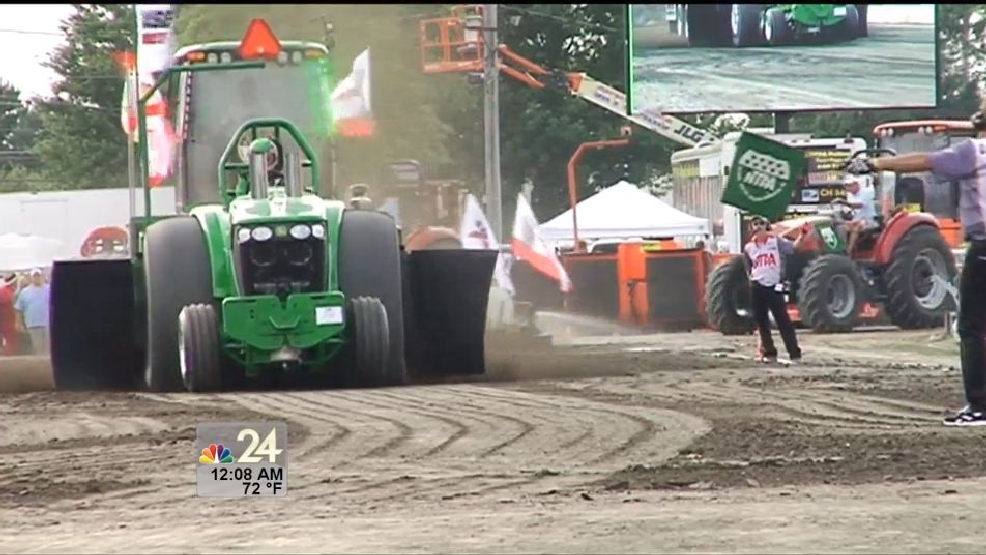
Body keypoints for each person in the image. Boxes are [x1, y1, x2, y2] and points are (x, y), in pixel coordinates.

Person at [846, 104, 986, 426]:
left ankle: (979, 406)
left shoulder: (974, 151)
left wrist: (875, 162)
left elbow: (924, 161)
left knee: (971, 327)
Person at [743, 215, 805, 363]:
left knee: (783, 320)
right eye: (755, 224)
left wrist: (802, 235)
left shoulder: (776, 242)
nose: (758, 227)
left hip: (774, 284)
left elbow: (794, 248)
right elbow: (748, 266)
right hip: (758, 285)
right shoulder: (749, 247)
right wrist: (751, 280)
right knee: (762, 322)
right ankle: (769, 353)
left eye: (761, 224)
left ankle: (794, 353)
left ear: (767, 226)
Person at [14, 268, 51, 356]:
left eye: (38, 275)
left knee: (49, 349)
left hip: (48, 324)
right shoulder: (24, 292)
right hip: (32, 325)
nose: (37, 278)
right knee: (36, 349)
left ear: (42, 276)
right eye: (35, 276)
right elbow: (19, 309)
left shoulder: (50, 289)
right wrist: (18, 323)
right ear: (31, 278)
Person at [841, 174, 878, 253]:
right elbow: (849, 209)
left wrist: (846, 203)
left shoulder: (867, 192)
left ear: (857, 184)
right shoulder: (849, 195)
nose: (848, 188)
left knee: (856, 227)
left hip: (869, 220)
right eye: (846, 186)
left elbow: (860, 205)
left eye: (850, 185)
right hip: (856, 220)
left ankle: (849, 251)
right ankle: (841, 249)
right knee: (840, 226)